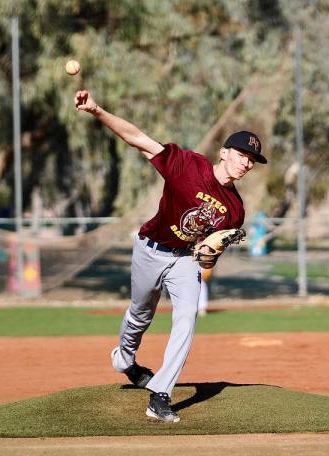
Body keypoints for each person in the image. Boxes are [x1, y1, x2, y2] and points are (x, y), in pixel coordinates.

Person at [75, 90, 267, 423]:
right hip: (150, 248)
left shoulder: (236, 211)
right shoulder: (186, 165)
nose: (246, 163)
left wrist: (209, 255)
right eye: (241, 154)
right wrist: (96, 110)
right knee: (140, 314)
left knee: (186, 320)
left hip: (185, 261)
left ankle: (160, 394)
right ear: (223, 153)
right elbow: (138, 139)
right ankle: (124, 360)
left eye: (252, 159)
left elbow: (208, 257)